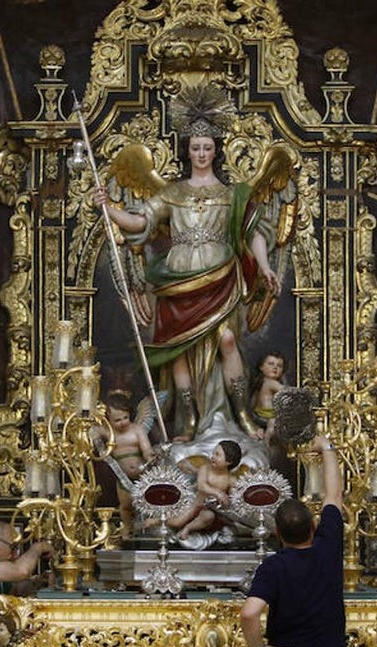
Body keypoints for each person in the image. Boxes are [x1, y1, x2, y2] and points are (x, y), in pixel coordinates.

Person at [93, 87, 282, 442]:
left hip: (221, 280)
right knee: (179, 352)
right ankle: (190, 420)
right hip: (177, 281)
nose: (201, 153)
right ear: (188, 151)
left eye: (207, 148)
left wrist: (264, 265)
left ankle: (240, 413)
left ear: (216, 151)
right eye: (195, 147)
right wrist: (109, 208)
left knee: (227, 341)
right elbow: (141, 223)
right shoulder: (172, 193)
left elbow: (253, 231)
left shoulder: (232, 195)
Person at [240, 433, 349, 647]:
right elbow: (334, 496)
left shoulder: (273, 567)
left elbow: (250, 613)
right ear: (314, 527)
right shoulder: (328, 549)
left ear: (278, 533)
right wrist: (327, 447)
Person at [99, 392, 156, 538]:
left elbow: (146, 447)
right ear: (108, 420)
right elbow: (92, 430)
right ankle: (127, 528)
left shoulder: (137, 429)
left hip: (143, 475)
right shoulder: (108, 433)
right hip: (122, 477)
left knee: (148, 503)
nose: (123, 422)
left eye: (126, 417)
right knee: (125, 506)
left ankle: (149, 528)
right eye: (117, 420)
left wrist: (149, 455)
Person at [166, 439, 241, 540]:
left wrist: (228, 501)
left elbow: (234, 499)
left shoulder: (230, 479)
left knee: (208, 516)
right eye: (214, 453)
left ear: (228, 462)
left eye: (217, 455)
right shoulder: (205, 469)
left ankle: (188, 528)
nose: (212, 457)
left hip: (214, 512)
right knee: (177, 522)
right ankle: (158, 520)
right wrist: (217, 492)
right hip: (196, 504)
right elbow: (202, 486)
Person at [251, 351, 287, 440]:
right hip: (267, 416)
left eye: (279, 366)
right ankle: (267, 444)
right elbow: (287, 391)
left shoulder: (261, 382)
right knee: (273, 423)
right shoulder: (271, 383)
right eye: (271, 364)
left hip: (258, 416)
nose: (275, 367)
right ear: (261, 367)